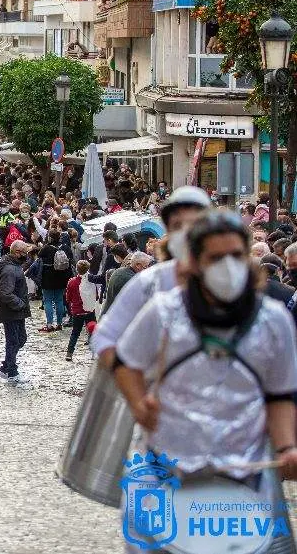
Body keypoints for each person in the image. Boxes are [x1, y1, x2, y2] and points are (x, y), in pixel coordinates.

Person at [113, 211, 297, 551]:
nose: (227, 266)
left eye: (235, 256)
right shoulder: (164, 313)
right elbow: (124, 363)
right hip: (164, 478)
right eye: (216, 257)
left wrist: (287, 447)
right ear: (194, 262)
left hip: (245, 479)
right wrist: (140, 405)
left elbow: (281, 395)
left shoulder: (275, 322)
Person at [91, 186, 211, 368]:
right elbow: (105, 336)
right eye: (178, 225)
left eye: (195, 223)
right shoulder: (148, 281)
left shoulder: (229, 280)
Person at [0, 240, 32, 385]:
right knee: (14, 341)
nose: (26, 255)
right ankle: (12, 372)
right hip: (11, 312)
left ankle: (6, 367)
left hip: (16, 312)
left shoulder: (14, 266)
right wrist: (20, 304)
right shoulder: (10, 270)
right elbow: (6, 293)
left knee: (20, 339)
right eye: (25, 253)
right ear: (17, 253)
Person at [38, 230, 73, 332]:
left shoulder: (46, 248)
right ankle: (59, 323)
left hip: (48, 278)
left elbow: (39, 257)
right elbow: (70, 259)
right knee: (59, 300)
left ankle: (49, 324)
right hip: (61, 277)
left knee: (48, 300)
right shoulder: (65, 247)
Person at [64, 260, 98, 361]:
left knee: (75, 332)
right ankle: (94, 353)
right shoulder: (91, 282)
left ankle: (69, 353)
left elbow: (68, 298)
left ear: (77, 269)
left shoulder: (72, 282)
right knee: (93, 332)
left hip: (77, 311)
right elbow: (96, 296)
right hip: (89, 311)